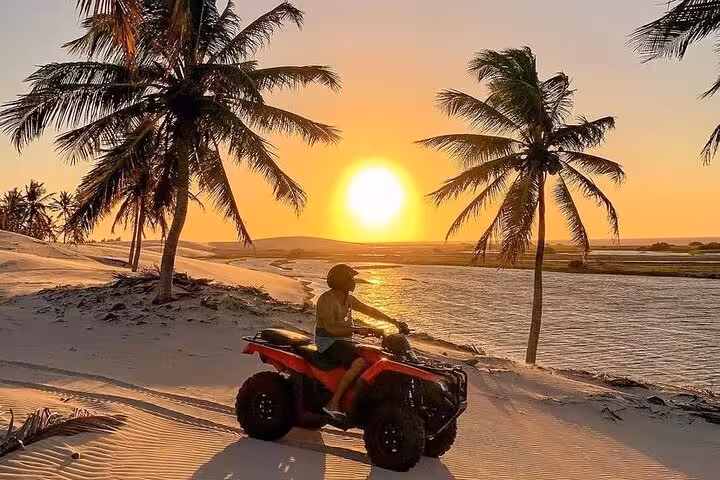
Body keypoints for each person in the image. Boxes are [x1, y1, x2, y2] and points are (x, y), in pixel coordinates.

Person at [315, 264, 409, 419]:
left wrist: (394, 322)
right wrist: (358, 330)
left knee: (374, 357)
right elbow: (331, 328)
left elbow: (369, 310)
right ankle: (333, 402)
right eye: (350, 278)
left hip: (345, 341)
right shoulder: (327, 300)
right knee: (359, 362)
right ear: (341, 281)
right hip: (328, 342)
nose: (353, 282)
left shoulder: (348, 299)